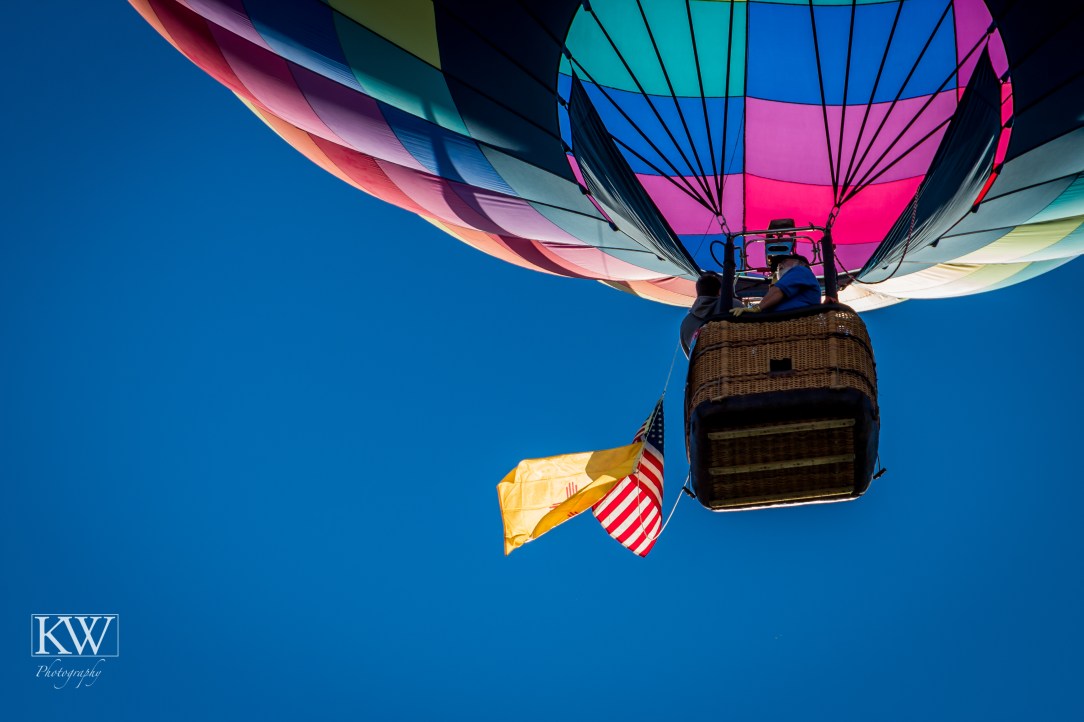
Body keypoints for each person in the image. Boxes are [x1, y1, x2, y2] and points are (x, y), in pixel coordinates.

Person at [731, 254, 821, 316]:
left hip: (794, 324)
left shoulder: (801, 270)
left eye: (785, 261)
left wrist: (757, 308)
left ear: (800, 263)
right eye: (778, 265)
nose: (780, 265)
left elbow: (778, 291)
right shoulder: (793, 283)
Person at [680, 272, 726, 358]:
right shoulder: (731, 305)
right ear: (719, 291)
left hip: (705, 368)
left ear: (698, 292)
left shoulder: (686, 323)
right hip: (735, 361)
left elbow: (689, 356)